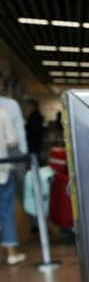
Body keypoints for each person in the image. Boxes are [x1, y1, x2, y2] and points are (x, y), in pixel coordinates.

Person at [0, 104, 25, 265]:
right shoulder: (2, 112)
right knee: (6, 211)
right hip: (2, 169)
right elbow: (12, 140)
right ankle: (11, 253)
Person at [0, 71, 28, 200]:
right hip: (7, 156)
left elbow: (19, 132)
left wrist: (22, 154)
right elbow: (12, 137)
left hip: (12, 156)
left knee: (20, 194)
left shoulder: (10, 105)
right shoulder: (4, 111)